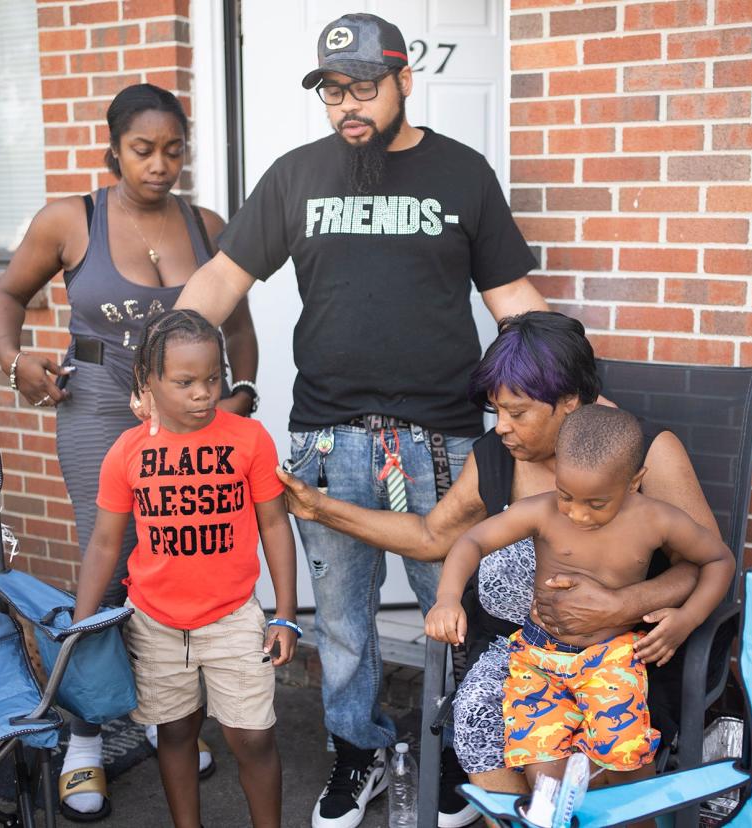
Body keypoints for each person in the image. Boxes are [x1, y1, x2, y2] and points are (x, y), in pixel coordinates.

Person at [153, 13, 553, 828]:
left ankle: (461, 752)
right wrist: (157, 368)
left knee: (460, 605)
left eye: (363, 87)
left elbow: (513, 304)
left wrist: (571, 398)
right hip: (328, 436)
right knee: (340, 619)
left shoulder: (463, 174)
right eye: (335, 90)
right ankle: (358, 750)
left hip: (441, 438)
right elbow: (221, 281)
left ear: (406, 79)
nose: (348, 106)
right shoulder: (298, 175)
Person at [277, 311, 722, 797]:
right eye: (497, 411)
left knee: (568, 767)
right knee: (482, 727)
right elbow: (432, 535)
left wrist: (623, 604)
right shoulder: (496, 454)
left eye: (519, 412)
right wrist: (319, 509)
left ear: (570, 402)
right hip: (521, 661)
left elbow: (702, 564)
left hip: (620, 662)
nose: (503, 427)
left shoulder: (642, 456)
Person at [0, 83, 259, 819]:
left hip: (190, 418)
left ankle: (173, 719)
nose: (160, 164)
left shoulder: (205, 224)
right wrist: (18, 363)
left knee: (186, 560)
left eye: (174, 150)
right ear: (113, 149)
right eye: (144, 150)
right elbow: (6, 295)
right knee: (106, 569)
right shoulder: (71, 219)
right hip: (100, 407)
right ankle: (84, 738)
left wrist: (242, 395)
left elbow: (238, 328)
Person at [426, 405, 734, 802]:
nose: (577, 513)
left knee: (626, 763)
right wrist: (448, 598)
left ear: (635, 482)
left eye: (596, 503)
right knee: (544, 777)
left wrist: (686, 619)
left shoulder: (657, 519)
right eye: (566, 495)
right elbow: (472, 541)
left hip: (610, 659)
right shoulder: (543, 511)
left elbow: (718, 559)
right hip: (539, 657)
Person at [72, 309, 299, 828]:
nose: (204, 393)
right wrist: (81, 626)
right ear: (146, 382)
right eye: (185, 382)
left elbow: (275, 527)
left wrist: (285, 614)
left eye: (214, 378)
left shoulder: (249, 439)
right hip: (154, 621)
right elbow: (106, 543)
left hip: (232, 617)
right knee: (174, 733)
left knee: (254, 737)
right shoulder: (127, 451)